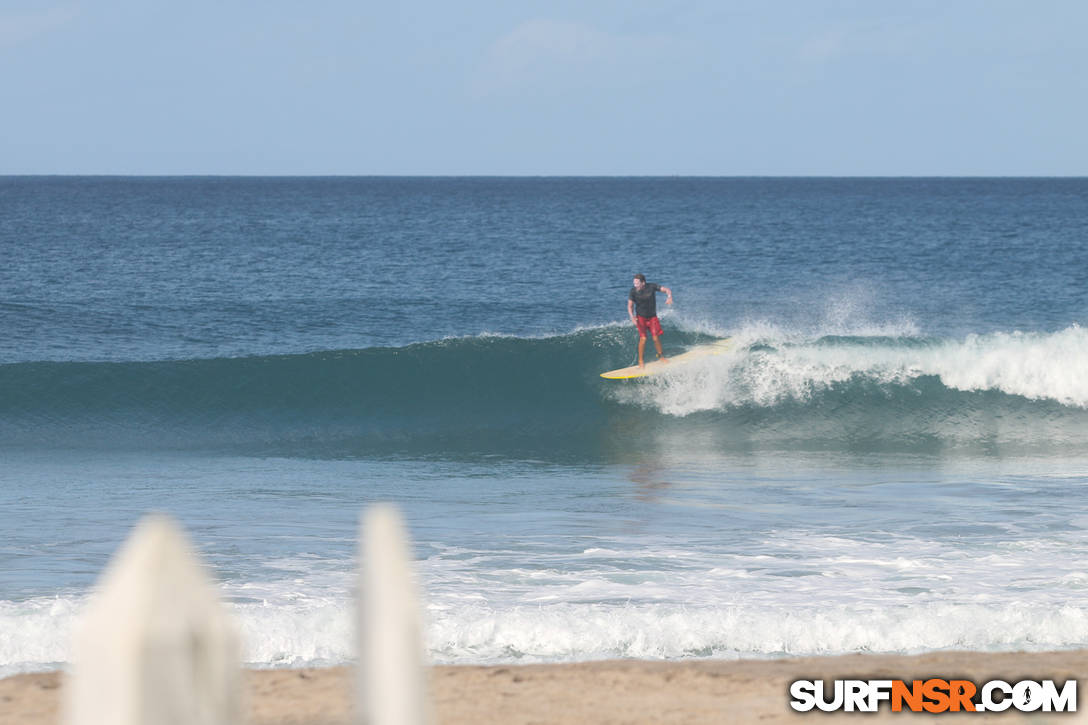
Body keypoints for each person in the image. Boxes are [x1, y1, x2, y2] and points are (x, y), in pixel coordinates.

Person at [627, 273, 673, 367]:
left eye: (637, 283)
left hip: (652, 317)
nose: (635, 286)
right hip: (641, 318)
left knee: (655, 338)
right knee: (643, 338)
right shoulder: (633, 291)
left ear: (643, 283)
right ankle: (640, 361)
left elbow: (667, 290)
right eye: (634, 283)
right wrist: (632, 316)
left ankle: (661, 356)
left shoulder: (651, 287)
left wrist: (669, 297)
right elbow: (630, 305)